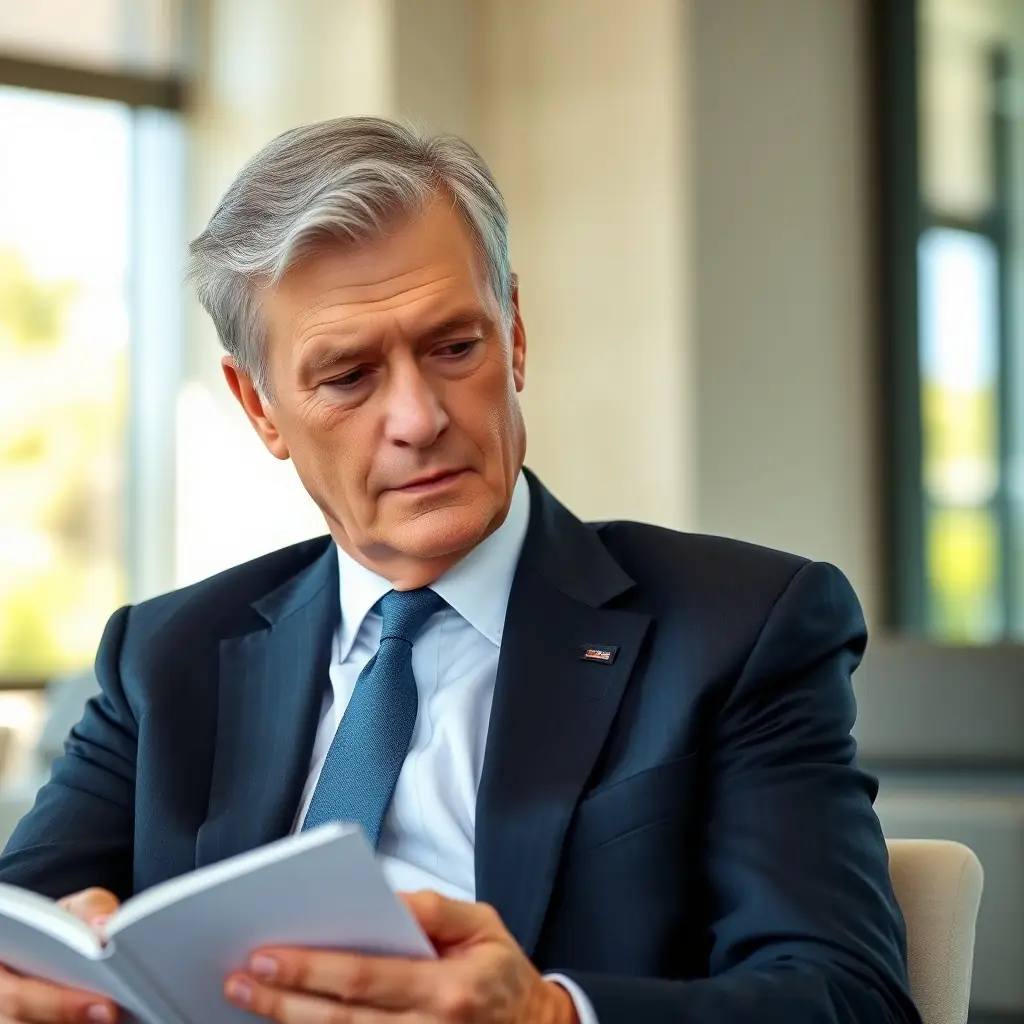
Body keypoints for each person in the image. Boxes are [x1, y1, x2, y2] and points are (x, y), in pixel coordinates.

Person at [0, 117, 919, 1024]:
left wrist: (550, 1018)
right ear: (260, 409)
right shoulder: (165, 657)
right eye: (349, 376)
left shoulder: (741, 629)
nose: (417, 418)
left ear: (513, 334)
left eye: (453, 347)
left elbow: (848, 997)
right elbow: (20, 932)